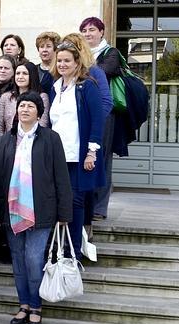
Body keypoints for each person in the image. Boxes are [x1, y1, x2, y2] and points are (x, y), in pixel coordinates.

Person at [0, 91, 73, 324]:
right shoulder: (6, 140)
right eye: (21, 105)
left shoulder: (51, 139)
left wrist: (64, 213)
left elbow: (61, 177)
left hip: (41, 211)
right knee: (18, 262)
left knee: (33, 260)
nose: (24, 109)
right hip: (11, 211)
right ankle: (23, 304)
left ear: (38, 112)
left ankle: (35, 305)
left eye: (30, 106)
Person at [49, 41, 105, 260]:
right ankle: (58, 249)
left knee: (76, 201)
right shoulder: (55, 87)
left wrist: (92, 152)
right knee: (59, 202)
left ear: (76, 62)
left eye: (67, 61)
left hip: (79, 155)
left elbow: (97, 120)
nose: (62, 64)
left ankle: (73, 253)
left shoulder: (87, 86)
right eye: (59, 60)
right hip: (57, 155)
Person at [61, 32, 113, 240]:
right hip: (62, 149)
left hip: (83, 144)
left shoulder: (92, 76)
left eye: (71, 48)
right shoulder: (58, 83)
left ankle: (81, 234)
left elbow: (104, 104)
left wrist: (91, 135)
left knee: (81, 194)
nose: (64, 60)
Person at [80, 17, 122, 222]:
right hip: (86, 115)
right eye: (84, 31)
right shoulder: (80, 56)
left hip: (105, 114)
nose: (88, 34)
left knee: (102, 158)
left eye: (92, 30)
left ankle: (100, 207)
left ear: (102, 32)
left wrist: (86, 67)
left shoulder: (111, 53)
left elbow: (103, 72)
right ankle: (88, 204)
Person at [0, 62, 50, 134]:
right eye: (18, 73)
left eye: (25, 73)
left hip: (34, 141)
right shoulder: (6, 97)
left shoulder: (42, 97)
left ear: (32, 76)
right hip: (9, 142)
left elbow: (43, 124)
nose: (20, 77)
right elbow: (0, 127)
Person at [35, 32, 61, 96]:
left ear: (55, 49)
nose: (44, 50)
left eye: (48, 46)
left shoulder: (60, 69)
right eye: (41, 46)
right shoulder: (34, 69)